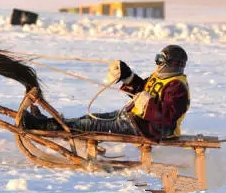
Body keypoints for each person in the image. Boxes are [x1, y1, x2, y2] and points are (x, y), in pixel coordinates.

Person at [22, 45, 190, 141]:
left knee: (89, 125)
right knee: (89, 119)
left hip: (149, 129)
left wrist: (147, 103)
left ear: (171, 64)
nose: (156, 64)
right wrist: (126, 76)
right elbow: (143, 90)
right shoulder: (162, 78)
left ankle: (41, 126)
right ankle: (49, 123)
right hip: (133, 119)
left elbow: (167, 116)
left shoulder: (177, 87)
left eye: (160, 60)